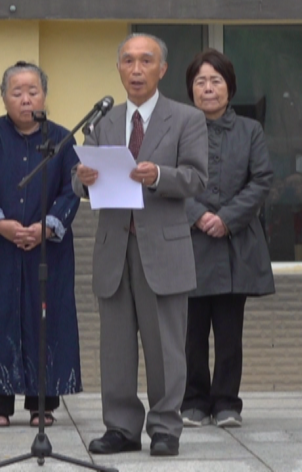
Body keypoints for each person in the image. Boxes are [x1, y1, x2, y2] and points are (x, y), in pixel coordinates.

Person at [74, 33, 208, 458]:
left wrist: (159, 176)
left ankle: (165, 427)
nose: (136, 70)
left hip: (163, 248)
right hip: (114, 247)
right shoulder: (104, 122)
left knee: (165, 346)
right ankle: (121, 427)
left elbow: (197, 178)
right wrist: (83, 180)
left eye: (146, 61)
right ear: (118, 68)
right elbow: (82, 183)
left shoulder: (186, 119)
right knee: (115, 347)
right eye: (128, 61)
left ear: (162, 69)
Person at [0, 61, 82, 428]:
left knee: (45, 320)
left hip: (47, 249)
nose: (25, 99)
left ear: (44, 95)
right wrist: (1, 224)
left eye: (33, 91)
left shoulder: (62, 139)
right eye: (17, 92)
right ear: (4, 97)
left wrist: (46, 227)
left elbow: (72, 189)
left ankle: (43, 404)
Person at [180, 49, 275, 430]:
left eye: (216, 81)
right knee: (191, 332)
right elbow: (165, 178)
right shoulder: (179, 129)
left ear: (229, 88)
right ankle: (192, 401)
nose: (208, 88)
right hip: (189, 243)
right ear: (191, 89)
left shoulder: (250, 130)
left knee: (229, 332)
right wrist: (197, 214)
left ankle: (226, 403)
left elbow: (262, 179)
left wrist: (227, 218)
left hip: (235, 245)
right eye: (201, 81)